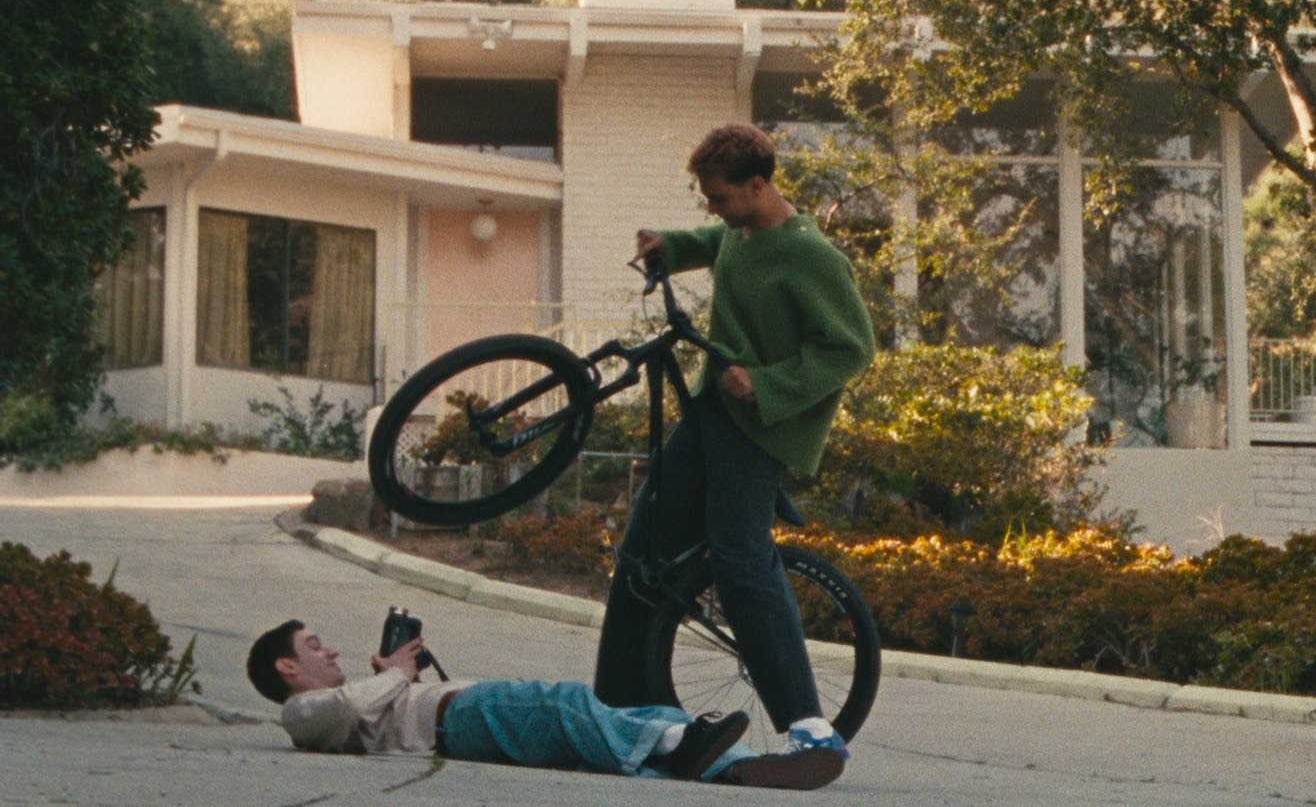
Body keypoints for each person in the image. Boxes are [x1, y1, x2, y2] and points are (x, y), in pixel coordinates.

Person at [594, 123, 875, 785]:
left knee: (739, 555)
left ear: (758, 186)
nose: (713, 209)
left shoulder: (812, 257)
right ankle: (616, 709)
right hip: (711, 412)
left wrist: (768, 383)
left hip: (762, 426)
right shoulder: (740, 230)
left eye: (719, 197)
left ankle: (811, 729)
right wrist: (671, 245)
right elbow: (716, 242)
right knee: (643, 550)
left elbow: (852, 348)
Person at [245, 619, 840, 789]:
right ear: (287, 668)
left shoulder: (351, 691)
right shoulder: (299, 710)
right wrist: (397, 673)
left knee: (616, 721)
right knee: (568, 707)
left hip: (465, 713)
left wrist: (390, 674)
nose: (331, 650)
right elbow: (344, 714)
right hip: (457, 719)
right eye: (314, 646)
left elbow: (359, 704)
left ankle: (738, 764)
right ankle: (693, 749)